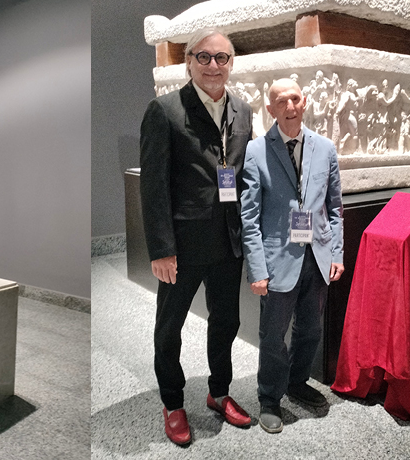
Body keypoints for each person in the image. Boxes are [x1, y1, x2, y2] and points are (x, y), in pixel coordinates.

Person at [139, 28, 254, 446]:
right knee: (169, 328)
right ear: (189, 61)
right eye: (203, 57)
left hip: (228, 242)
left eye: (221, 58)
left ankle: (218, 392)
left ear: (231, 63)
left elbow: (241, 178)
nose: (212, 66)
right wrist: (162, 249)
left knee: (226, 322)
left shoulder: (243, 111)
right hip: (182, 247)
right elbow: (153, 187)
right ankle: (172, 402)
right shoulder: (165, 110)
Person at [239, 78, 345, 433]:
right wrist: (257, 268)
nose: (289, 106)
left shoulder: (326, 148)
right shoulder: (256, 150)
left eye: (295, 98)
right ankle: (269, 398)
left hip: (317, 257)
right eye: (280, 101)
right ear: (270, 109)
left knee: (311, 329)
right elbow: (249, 216)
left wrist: (337, 253)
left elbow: (335, 209)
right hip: (276, 261)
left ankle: (297, 382)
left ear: (305, 102)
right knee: (272, 336)